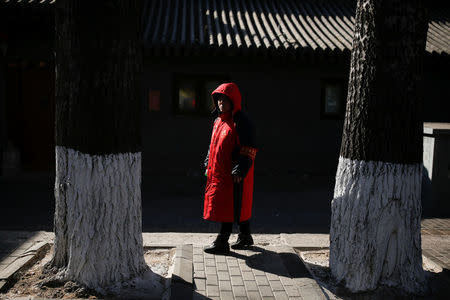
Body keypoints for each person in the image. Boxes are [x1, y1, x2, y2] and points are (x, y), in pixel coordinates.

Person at [203, 82, 257, 254]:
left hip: (235, 172)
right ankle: (245, 236)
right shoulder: (218, 120)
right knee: (236, 204)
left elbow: (249, 147)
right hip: (219, 171)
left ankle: (222, 240)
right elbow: (213, 145)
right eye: (219, 100)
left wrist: (241, 169)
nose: (221, 103)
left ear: (233, 101)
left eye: (225, 100)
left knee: (231, 204)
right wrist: (208, 160)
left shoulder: (241, 121)